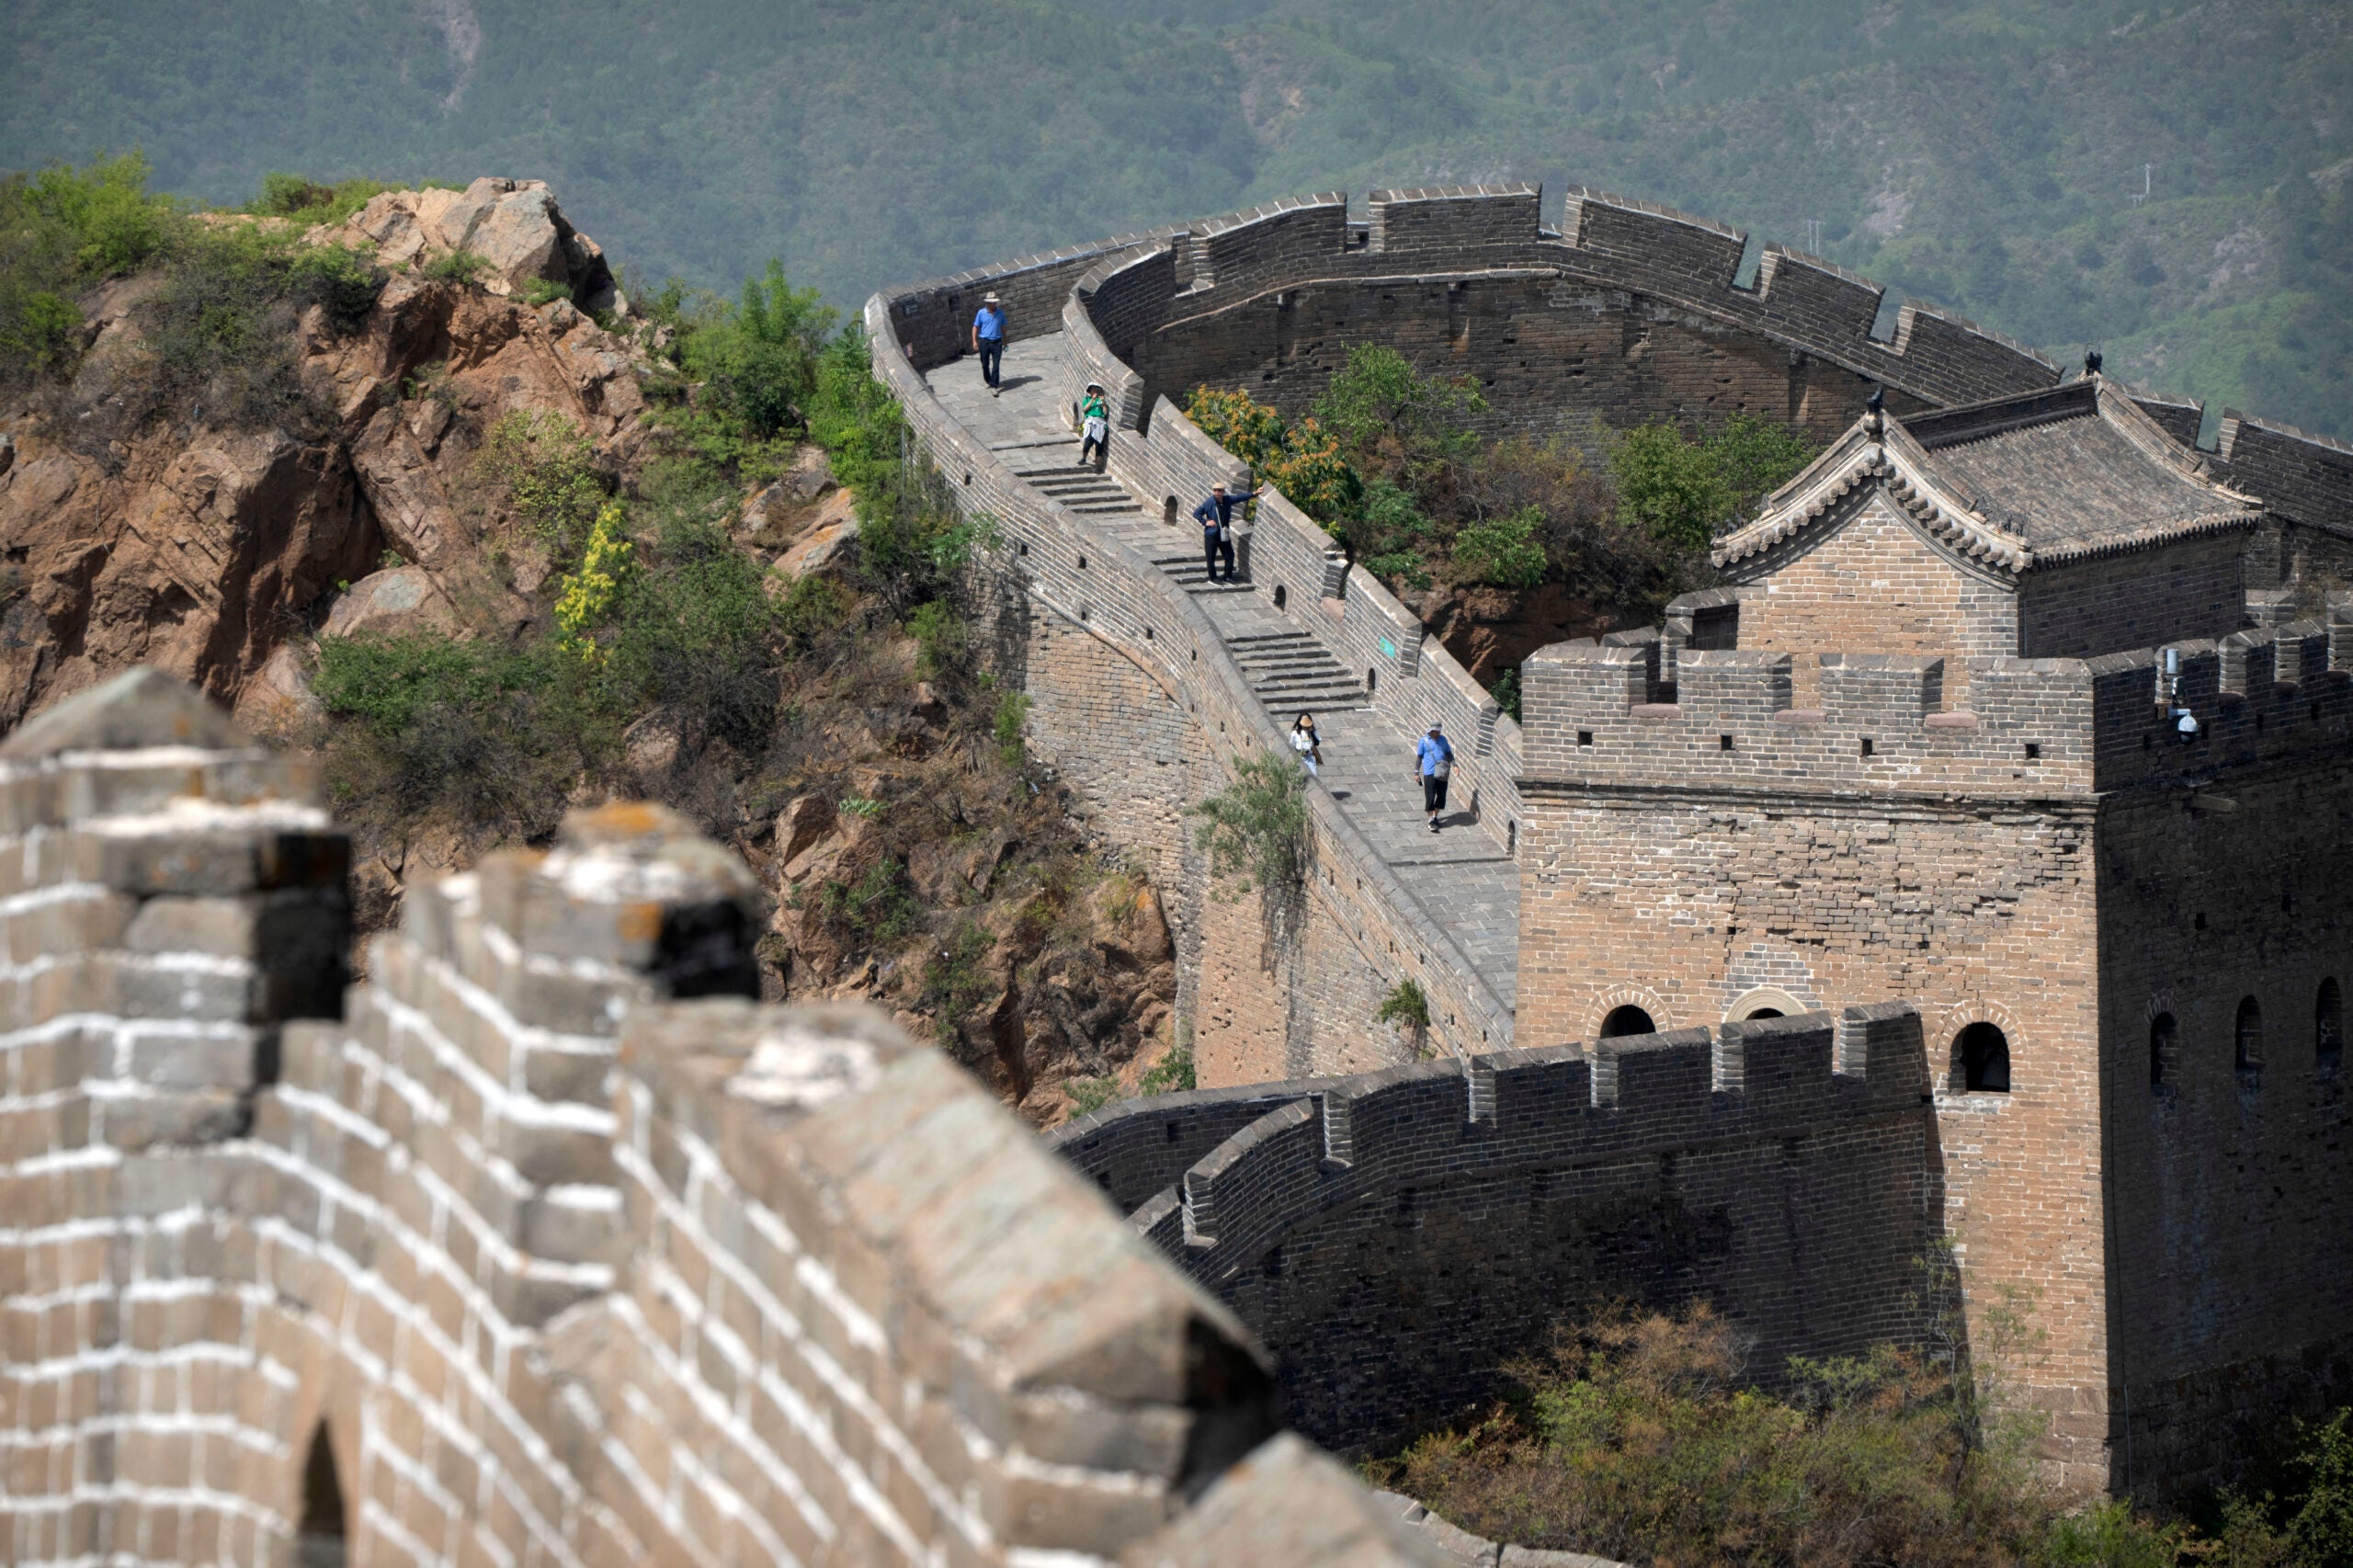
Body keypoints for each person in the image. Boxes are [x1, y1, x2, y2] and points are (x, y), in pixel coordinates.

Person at [1190, 475, 1256, 584]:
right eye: (1215, 490)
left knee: (1229, 555)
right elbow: (1196, 513)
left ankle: (1228, 576)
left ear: (1223, 492)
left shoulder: (1227, 500)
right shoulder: (1210, 502)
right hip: (1211, 535)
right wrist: (1205, 522)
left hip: (1223, 533)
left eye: (1219, 490)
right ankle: (1213, 578)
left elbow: (1240, 497)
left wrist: (1254, 494)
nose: (1217, 492)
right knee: (1211, 557)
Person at [1415, 721, 1454, 833]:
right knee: (1430, 796)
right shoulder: (1423, 741)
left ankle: (1435, 816)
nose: (1436, 734)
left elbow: (1448, 753)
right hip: (1429, 772)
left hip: (1442, 772)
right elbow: (1419, 757)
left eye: (1438, 732)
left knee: (1441, 796)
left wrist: (1455, 765)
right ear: (1430, 731)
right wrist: (1416, 772)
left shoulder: (1443, 740)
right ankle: (1431, 820)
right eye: (1434, 731)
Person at [972, 292, 1006, 396]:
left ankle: (994, 385)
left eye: (995, 302)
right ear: (987, 302)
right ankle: (988, 380)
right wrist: (974, 341)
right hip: (984, 341)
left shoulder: (1000, 313)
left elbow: (1004, 328)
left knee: (996, 364)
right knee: (985, 363)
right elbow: (975, 327)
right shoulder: (981, 313)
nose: (993, 304)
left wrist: (1005, 342)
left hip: (997, 342)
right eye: (991, 302)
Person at [1078, 381, 1110, 468]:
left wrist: (1103, 403)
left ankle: (1097, 466)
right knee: (1087, 444)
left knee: (1099, 447)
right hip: (1090, 423)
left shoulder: (1101, 400)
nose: (1094, 391)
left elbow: (1105, 413)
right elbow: (1085, 409)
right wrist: (1092, 399)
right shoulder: (1087, 399)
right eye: (1093, 390)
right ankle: (1084, 458)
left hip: (1099, 424)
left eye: (1096, 389)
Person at [1290, 712, 1323, 778]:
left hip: (1309, 756)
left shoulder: (1312, 732)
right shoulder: (1295, 733)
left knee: (1314, 775)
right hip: (1300, 756)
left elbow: (1318, 741)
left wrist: (1311, 732)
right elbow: (1291, 744)